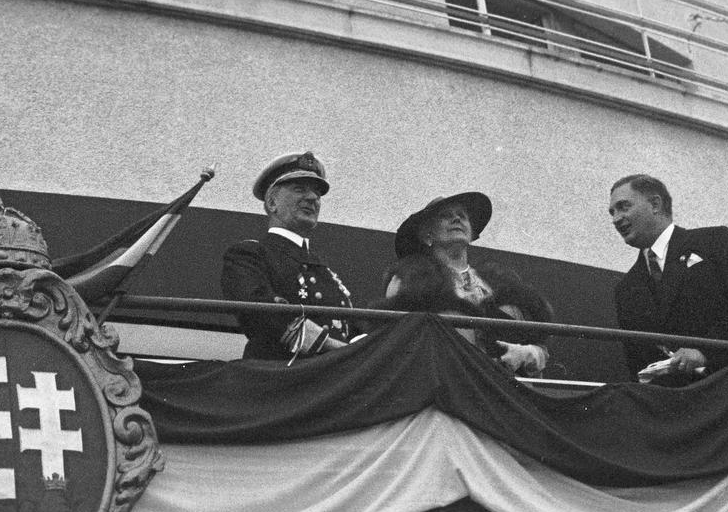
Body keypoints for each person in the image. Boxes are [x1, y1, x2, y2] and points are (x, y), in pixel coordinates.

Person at [607, 173, 728, 383]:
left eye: (624, 207)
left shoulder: (713, 242)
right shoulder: (626, 289)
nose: (616, 219)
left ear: (655, 204)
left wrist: (704, 351)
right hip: (674, 406)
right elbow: (638, 363)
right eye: (612, 212)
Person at [379, 192, 553, 376]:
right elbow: (396, 341)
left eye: (463, 216)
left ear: (471, 235)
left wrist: (529, 354)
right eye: (446, 215)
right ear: (426, 235)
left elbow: (540, 349)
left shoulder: (503, 285)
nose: (457, 218)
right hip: (445, 384)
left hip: (504, 387)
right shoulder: (409, 281)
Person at [220, 151, 358, 361]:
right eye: (299, 189)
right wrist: (341, 351)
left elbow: (353, 330)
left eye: (317, 194)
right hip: (281, 381)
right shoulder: (249, 255)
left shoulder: (325, 271)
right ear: (272, 202)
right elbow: (264, 316)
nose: (312, 198)